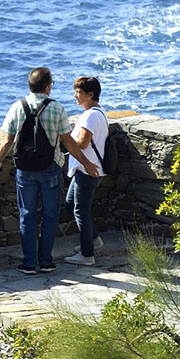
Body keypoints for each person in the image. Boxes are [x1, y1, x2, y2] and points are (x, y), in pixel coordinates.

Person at [0, 67, 97, 277]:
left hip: (25, 169)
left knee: (27, 215)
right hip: (50, 168)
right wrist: (87, 163)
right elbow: (68, 142)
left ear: (30, 86)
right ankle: (46, 261)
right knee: (50, 214)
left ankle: (29, 263)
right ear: (48, 87)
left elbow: (7, 140)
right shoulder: (56, 108)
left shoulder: (17, 107)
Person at [65, 73, 109, 265]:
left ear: (90, 94)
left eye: (78, 92)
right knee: (70, 204)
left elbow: (82, 143)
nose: (75, 95)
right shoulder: (97, 112)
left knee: (80, 210)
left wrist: (66, 136)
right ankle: (93, 240)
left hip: (88, 170)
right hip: (85, 170)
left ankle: (87, 255)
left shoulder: (91, 116)